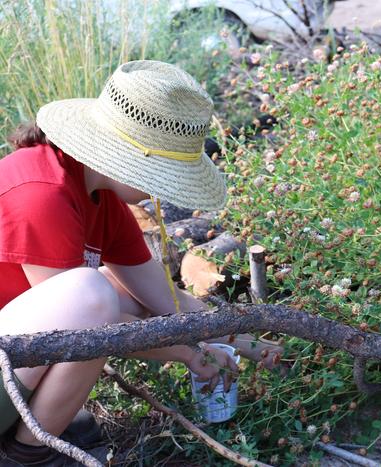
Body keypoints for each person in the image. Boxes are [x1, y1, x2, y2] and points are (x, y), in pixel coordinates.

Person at [0, 60, 280, 465]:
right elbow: (71, 332)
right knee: (92, 295)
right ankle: (28, 452)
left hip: (11, 357)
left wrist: (247, 341)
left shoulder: (99, 195)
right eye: (162, 173)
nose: (160, 190)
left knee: (118, 295)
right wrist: (190, 354)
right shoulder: (40, 193)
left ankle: (40, 422)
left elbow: (167, 299)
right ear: (127, 154)